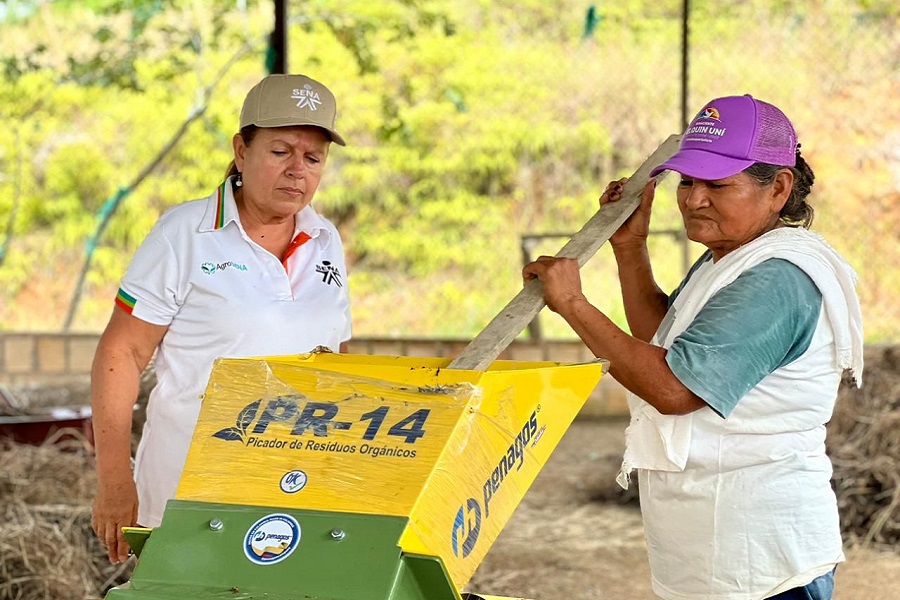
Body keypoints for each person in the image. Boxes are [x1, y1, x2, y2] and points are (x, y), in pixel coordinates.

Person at [523, 94, 863, 600]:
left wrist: (573, 303)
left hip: (760, 561)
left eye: (717, 185)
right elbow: (664, 342)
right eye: (687, 181)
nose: (694, 199)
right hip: (716, 548)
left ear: (779, 189)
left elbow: (675, 389)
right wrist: (630, 247)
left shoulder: (777, 277)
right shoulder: (730, 259)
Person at [90, 74, 352, 564]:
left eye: (312, 158)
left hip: (293, 491)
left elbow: (334, 360)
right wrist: (114, 480)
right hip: (190, 490)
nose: (298, 170)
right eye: (280, 152)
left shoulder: (325, 240)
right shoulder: (184, 234)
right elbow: (121, 352)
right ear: (241, 150)